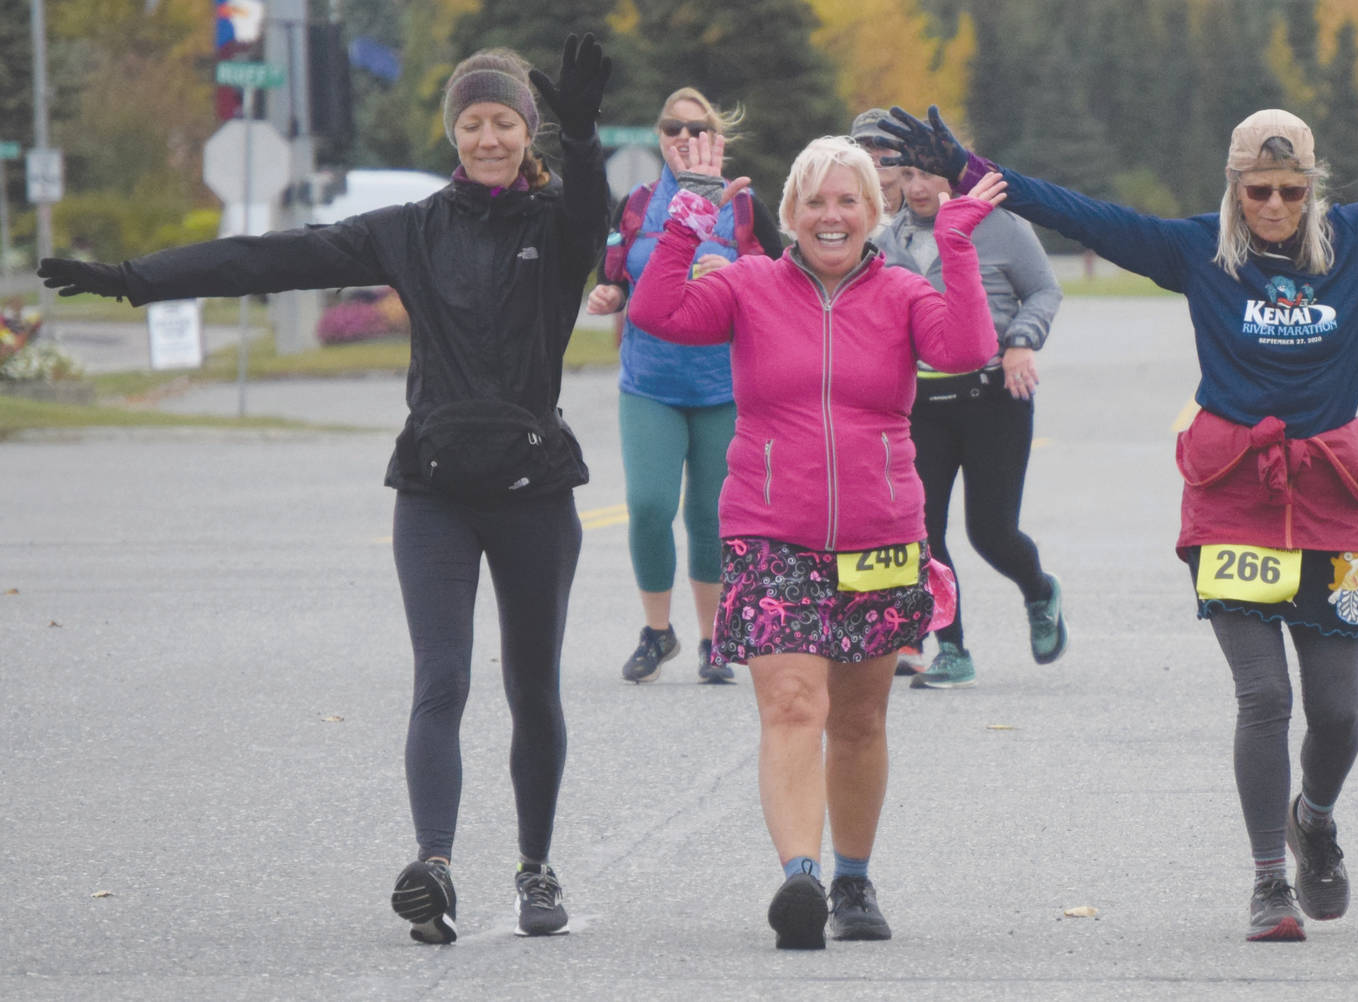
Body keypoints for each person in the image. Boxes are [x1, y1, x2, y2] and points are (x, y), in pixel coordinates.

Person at [879, 37, 1358, 942]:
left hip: (1332, 500)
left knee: (1339, 713)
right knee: (1264, 698)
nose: (1275, 206)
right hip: (1232, 496)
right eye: (1258, 190)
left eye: (1290, 190)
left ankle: (1314, 817)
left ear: (1312, 188)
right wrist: (967, 169)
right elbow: (1082, 213)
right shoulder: (1198, 252)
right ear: (1234, 188)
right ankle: (1268, 883)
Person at [38, 35, 615, 944]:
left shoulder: (554, 226)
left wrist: (581, 136)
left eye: (505, 122)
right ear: (453, 133)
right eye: (472, 122)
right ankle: (433, 866)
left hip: (534, 490)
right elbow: (269, 258)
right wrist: (133, 281)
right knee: (441, 681)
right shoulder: (411, 229)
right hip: (433, 492)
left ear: (525, 132)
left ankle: (535, 868)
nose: (488, 137)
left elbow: (593, 212)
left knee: (533, 687)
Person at [626, 131, 1007, 948]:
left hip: (880, 535)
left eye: (848, 201)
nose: (831, 216)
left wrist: (957, 244)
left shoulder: (904, 291)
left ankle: (853, 880)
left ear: (873, 212)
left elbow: (969, 350)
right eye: (815, 201)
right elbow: (657, 313)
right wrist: (688, 216)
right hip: (771, 532)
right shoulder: (748, 284)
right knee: (795, 704)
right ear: (791, 211)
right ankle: (799, 877)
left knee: (861, 719)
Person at [587, 85, 782, 685]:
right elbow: (614, 273)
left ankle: (712, 640)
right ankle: (657, 632)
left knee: (710, 516)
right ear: (659, 135)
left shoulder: (741, 207)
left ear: (714, 139)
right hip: (650, 382)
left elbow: (783, 278)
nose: (683, 138)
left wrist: (740, 270)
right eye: (672, 127)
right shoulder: (637, 204)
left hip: (724, 387)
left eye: (697, 129)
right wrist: (609, 293)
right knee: (649, 506)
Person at [873, 166, 1067, 689]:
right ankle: (952, 649)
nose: (917, 188)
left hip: (994, 398)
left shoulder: (1001, 227)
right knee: (921, 534)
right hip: (919, 406)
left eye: (929, 175)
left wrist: (1022, 340)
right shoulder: (886, 240)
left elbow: (1044, 291)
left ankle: (1039, 590)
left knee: (991, 533)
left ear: (955, 176)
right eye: (907, 174)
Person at [852, 108, 908, 216]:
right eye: (866, 147)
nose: (874, 154)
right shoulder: (845, 211)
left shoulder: (922, 206)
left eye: (883, 145)